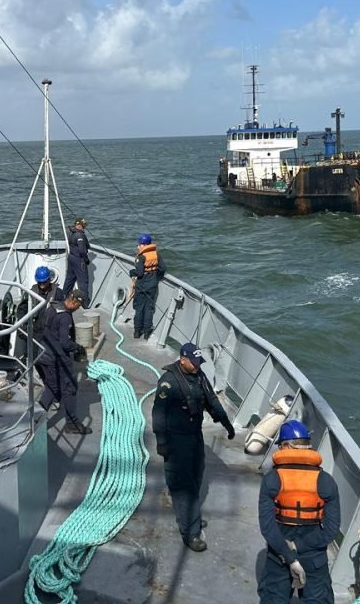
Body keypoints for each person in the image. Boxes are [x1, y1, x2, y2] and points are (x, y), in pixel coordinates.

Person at [152, 342, 236, 552]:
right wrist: (161, 441)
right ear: (183, 360)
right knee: (183, 486)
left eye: (199, 361)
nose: (198, 365)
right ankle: (190, 531)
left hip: (193, 436)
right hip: (175, 439)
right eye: (194, 362)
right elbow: (158, 414)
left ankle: (191, 515)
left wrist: (226, 423)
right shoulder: (168, 383)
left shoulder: (198, 375)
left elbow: (211, 400)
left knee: (197, 474)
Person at [257, 420, 341, 604]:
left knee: (273, 598)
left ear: (286, 446)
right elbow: (331, 529)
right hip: (314, 553)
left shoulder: (272, 480)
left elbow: (268, 528)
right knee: (318, 598)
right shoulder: (326, 481)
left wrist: (289, 555)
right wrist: (300, 548)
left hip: (280, 551)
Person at [36, 289, 92, 435]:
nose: (79, 308)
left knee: (52, 386)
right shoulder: (65, 318)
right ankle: (71, 424)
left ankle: (34, 418)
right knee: (69, 388)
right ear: (74, 301)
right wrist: (78, 348)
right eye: (79, 305)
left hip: (44, 353)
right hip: (57, 357)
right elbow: (65, 343)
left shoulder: (54, 306)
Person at [14, 266, 64, 366]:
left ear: (49, 280)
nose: (42, 284)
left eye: (44, 282)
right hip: (35, 328)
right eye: (39, 282)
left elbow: (63, 313)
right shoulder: (31, 292)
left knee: (50, 355)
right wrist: (22, 324)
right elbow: (21, 310)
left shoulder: (58, 293)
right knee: (34, 355)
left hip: (50, 329)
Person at [129, 233, 165, 340]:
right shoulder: (156, 255)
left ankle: (137, 331)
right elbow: (162, 268)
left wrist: (132, 272)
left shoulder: (141, 257)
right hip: (152, 284)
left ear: (143, 245)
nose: (138, 246)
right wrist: (156, 277)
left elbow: (139, 273)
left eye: (139, 244)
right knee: (149, 308)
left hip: (141, 285)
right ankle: (147, 332)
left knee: (139, 308)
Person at [64, 217, 91, 308]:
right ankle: (85, 303)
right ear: (79, 225)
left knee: (69, 280)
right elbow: (82, 251)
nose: (84, 228)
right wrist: (86, 259)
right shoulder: (80, 236)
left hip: (71, 258)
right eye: (83, 226)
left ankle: (64, 297)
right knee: (83, 282)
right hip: (79, 260)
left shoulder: (71, 232)